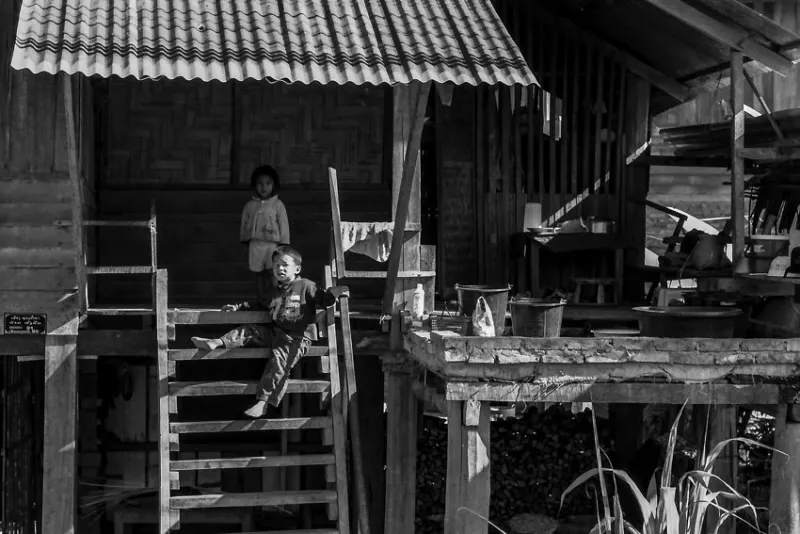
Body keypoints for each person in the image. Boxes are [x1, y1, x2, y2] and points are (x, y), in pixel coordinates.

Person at [190, 245, 348, 419]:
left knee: (278, 364)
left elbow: (324, 299)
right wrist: (237, 307)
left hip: (296, 339)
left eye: (284, 264)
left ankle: (263, 402)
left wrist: (335, 293)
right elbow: (258, 304)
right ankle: (217, 342)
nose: (279, 268)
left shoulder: (306, 286)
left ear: (297, 268)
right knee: (249, 330)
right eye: (276, 265)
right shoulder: (274, 292)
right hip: (275, 332)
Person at [240, 165, 290, 302]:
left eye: (268, 183)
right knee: (258, 274)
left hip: (273, 245)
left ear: (274, 185)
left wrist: (284, 245)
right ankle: (261, 300)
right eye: (260, 183)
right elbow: (244, 224)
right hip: (255, 244)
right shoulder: (250, 205)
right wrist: (245, 241)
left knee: (273, 272)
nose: (264, 187)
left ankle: (275, 300)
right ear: (254, 185)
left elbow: (283, 225)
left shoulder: (278, 205)